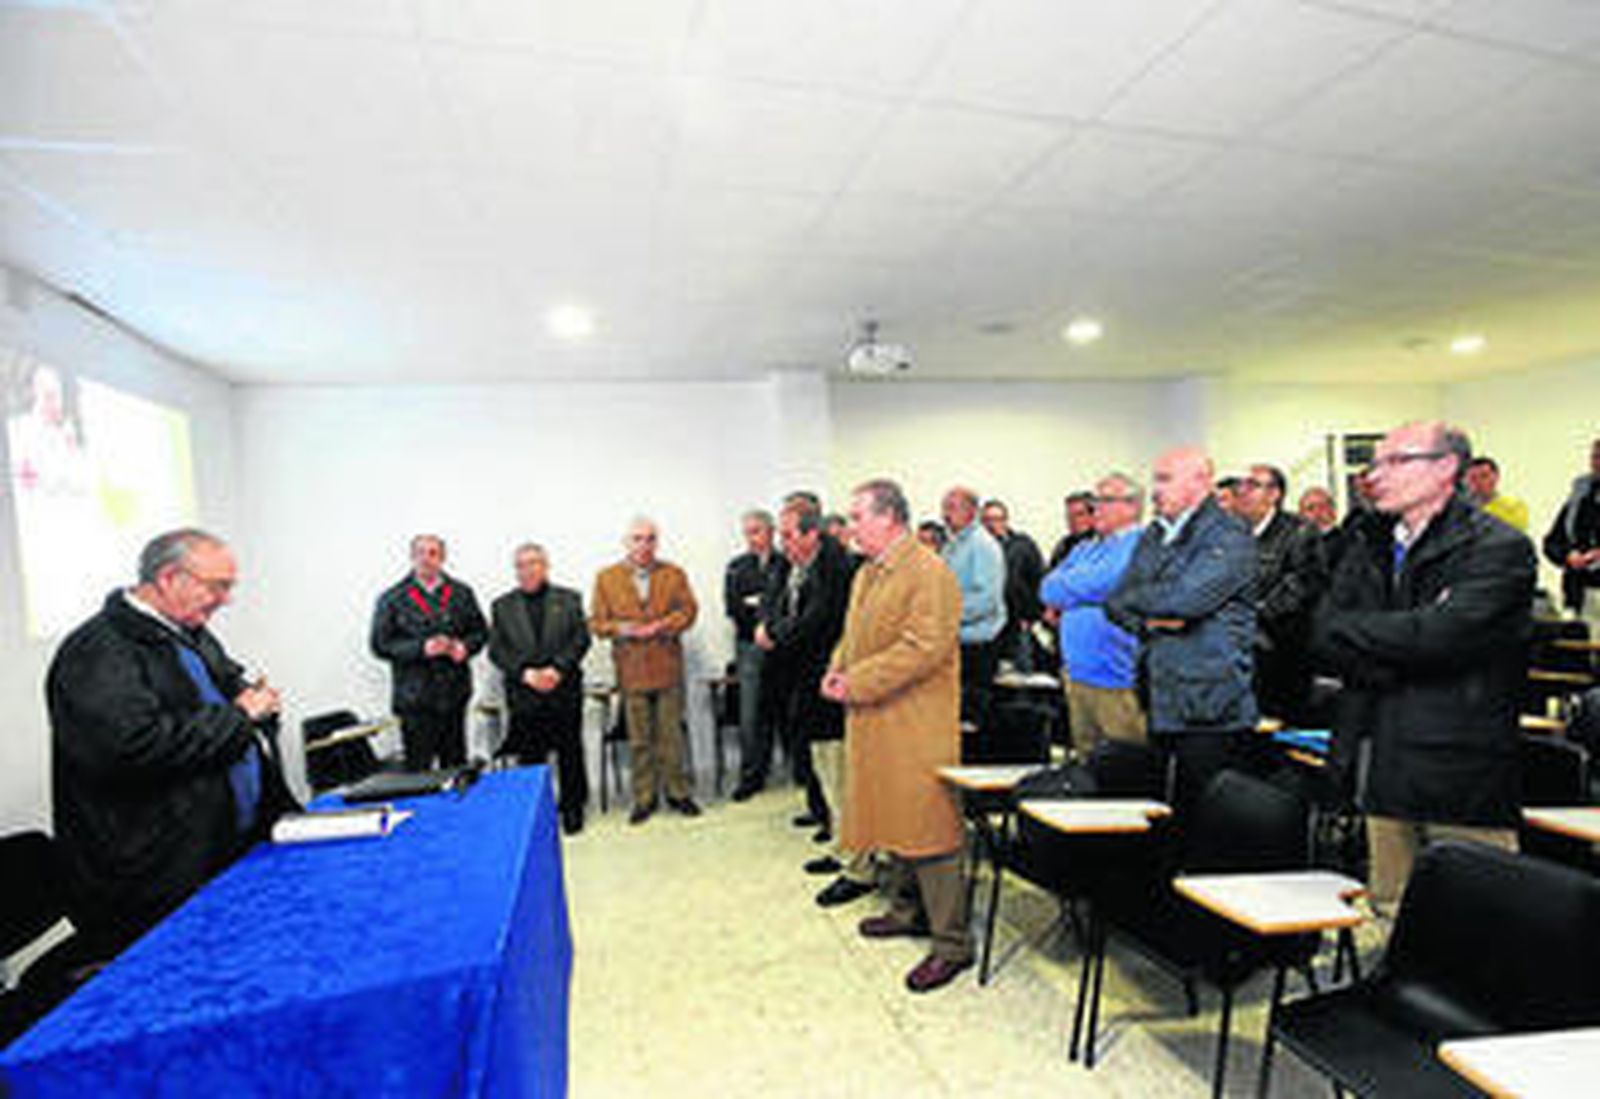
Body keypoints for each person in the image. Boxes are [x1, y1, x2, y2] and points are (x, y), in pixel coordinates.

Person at [1311, 422, 1535, 917]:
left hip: (1458, 763)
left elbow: (1441, 637)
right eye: (1375, 464)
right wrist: (1406, 642)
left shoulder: (1496, 546)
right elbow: (1323, 631)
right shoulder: (1368, 540)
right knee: (1392, 908)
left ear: (1445, 468)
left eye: (1396, 461)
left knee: (1476, 919)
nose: (1376, 475)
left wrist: (1380, 642)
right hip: (1379, 751)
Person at [46, 529, 296, 957]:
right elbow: (132, 747)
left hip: (224, 853)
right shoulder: (98, 649)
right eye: (217, 586)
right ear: (168, 578)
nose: (225, 599)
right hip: (155, 878)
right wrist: (241, 716)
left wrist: (254, 699)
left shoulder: (188, 631)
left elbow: (226, 690)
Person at [823, 478, 971, 992]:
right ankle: (908, 911)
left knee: (931, 826)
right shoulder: (868, 572)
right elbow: (852, 634)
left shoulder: (929, 571)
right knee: (895, 818)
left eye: (857, 517)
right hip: (878, 715)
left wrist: (857, 681)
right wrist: (836, 668)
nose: (850, 528)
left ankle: (952, 944)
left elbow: (922, 648)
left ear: (889, 518)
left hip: (916, 722)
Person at [1107, 447, 1258, 818]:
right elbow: (1116, 601)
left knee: (1203, 816)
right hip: (1161, 695)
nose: (1155, 490)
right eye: (1155, 479)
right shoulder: (1155, 534)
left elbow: (1185, 601)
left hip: (1209, 704)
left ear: (1201, 482)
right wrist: (1150, 621)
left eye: (1165, 479)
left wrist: (1151, 603)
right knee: (1161, 814)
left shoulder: (1228, 534)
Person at [591, 517, 701, 824]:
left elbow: (689, 611)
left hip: (667, 667)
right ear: (626, 543)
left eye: (650, 539)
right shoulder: (606, 578)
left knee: (671, 737)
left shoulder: (674, 574)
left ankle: (678, 793)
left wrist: (663, 625)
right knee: (639, 740)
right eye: (638, 539)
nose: (644, 545)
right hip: (631, 670)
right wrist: (623, 628)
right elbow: (597, 623)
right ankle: (644, 798)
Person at [757, 505, 850, 848]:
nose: (782, 543)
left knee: (830, 758)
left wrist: (775, 634)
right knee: (807, 751)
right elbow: (772, 603)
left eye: (788, 535)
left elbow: (817, 620)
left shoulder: (834, 567)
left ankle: (839, 830)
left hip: (824, 674)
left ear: (812, 535)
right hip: (794, 674)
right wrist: (768, 626)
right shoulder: (789, 565)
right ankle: (822, 813)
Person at [488, 542, 592, 835]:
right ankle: (535, 811)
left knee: (570, 751)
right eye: (521, 565)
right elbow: (497, 650)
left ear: (545, 566)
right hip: (525, 694)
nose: (527, 570)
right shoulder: (502, 606)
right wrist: (526, 673)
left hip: (563, 689)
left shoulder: (569, 599)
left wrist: (557, 669)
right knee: (530, 756)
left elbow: (580, 639)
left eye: (533, 563)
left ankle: (572, 808)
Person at [1039, 473, 1146, 752]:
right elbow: (1048, 588)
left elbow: (1106, 581)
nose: (1095, 509)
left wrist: (1072, 593)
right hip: (1077, 674)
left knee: (1123, 765)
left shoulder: (1140, 545)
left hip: (1116, 678)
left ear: (1132, 506)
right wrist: (1080, 592)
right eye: (1094, 502)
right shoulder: (1085, 548)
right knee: (1086, 764)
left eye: (1105, 501)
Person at [370, 534, 488, 771]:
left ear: (442, 558)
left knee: (455, 768)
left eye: (433, 553)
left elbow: (481, 632)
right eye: (420, 553)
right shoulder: (392, 598)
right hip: (415, 701)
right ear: (412, 557)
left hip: (454, 695)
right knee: (418, 772)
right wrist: (421, 648)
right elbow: (379, 644)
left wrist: (465, 647)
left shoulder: (462, 593)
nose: (426, 559)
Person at [1235, 464, 1327, 725]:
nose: (1243, 491)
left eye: (1253, 485)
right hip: (1240, 653)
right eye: (1242, 485)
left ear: (1274, 494)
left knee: (1280, 729)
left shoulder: (1299, 531)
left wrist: (1250, 617)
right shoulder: (1235, 533)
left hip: (1282, 653)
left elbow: (1301, 587)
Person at [725, 510, 788, 801]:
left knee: (787, 712)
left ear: (771, 532)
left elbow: (788, 606)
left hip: (783, 647)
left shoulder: (786, 563)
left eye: (757, 531)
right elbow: (734, 608)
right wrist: (763, 609)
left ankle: (799, 773)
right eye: (747, 533)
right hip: (749, 646)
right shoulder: (737, 567)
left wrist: (761, 607)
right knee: (750, 716)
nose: (751, 538)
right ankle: (752, 777)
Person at [939, 486, 1007, 729]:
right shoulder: (952, 544)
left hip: (977, 646)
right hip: (957, 640)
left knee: (970, 723)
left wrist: (944, 616)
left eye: (951, 508)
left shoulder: (982, 545)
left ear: (971, 511)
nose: (945, 515)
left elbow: (986, 599)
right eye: (944, 508)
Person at [981, 498, 1045, 670]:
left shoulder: (1022, 546)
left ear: (1006, 521)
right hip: (987, 626)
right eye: (987, 520)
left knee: (1022, 673)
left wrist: (1032, 616)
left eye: (997, 519)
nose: (992, 525)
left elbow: (1038, 579)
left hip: (1017, 624)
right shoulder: (976, 550)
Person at [1544, 438, 1600, 627]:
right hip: (1578, 597)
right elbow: (1552, 542)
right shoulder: (1579, 499)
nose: (1597, 463)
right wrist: (1568, 555)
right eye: (1595, 457)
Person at [1465, 456, 1529, 532]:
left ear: (1496, 478)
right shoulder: (1461, 509)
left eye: (1484, 476)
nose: (1479, 482)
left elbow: (1513, 534)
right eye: (1473, 478)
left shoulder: (1515, 506)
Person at [1047, 491, 1096, 569]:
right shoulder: (1064, 546)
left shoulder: (1103, 544)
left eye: (1079, 515)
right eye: (1069, 516)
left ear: (1093, 515)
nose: (1073, 520)